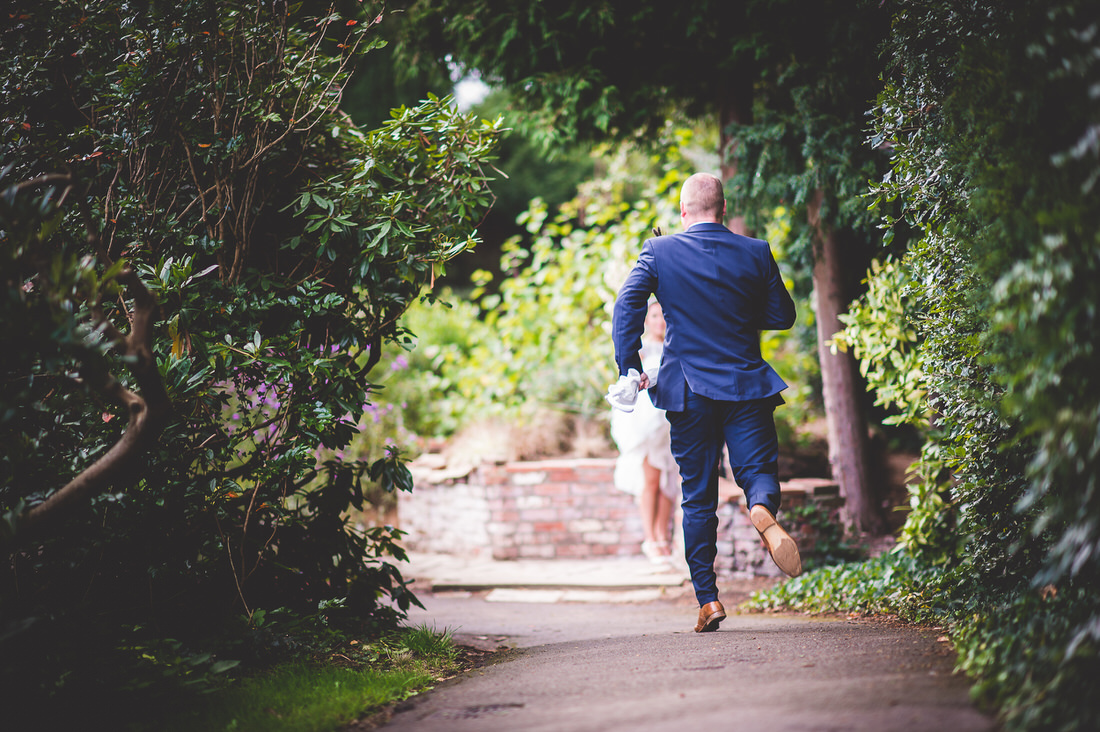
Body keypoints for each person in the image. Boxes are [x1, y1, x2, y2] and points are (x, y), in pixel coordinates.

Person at [611, 172, 801, 633]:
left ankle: (708, 600)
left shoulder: (659, 251)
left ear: (683, 212)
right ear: (722, 208)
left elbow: (626, 307)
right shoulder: (755, 252)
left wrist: (629, 366)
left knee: (698, 498)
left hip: (689, 390)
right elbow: (783, 315)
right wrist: (733, 310)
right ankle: (761, 508)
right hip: (746, 385)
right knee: (756, 472)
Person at [609, 300, 681, 566]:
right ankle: (650, 539)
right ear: (647, 320)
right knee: (650, 482)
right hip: (648, 427)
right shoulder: (640, 351)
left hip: (671, 425)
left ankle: (663, 537)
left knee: (668, 485)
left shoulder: (676, 347)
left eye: (664, 315)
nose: (660, 321)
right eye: (654, 316)